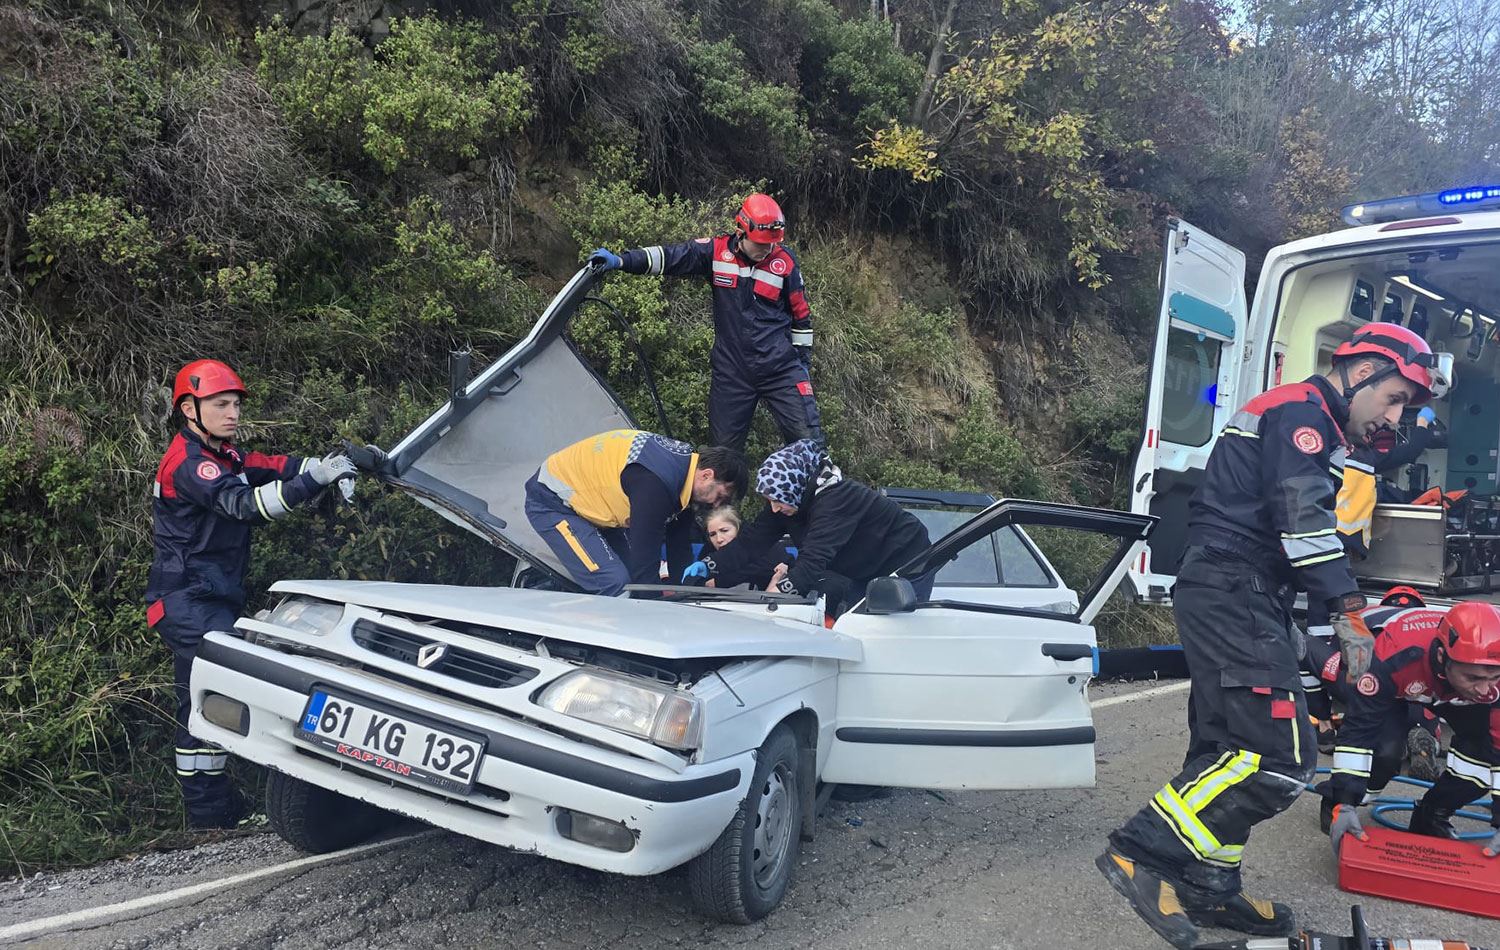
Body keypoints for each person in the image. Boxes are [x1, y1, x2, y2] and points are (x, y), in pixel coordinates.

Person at [1097, 323, 1437, 949]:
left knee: (1225, 749)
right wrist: (1348, 608)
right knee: (1280, 756)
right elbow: (1302, 522)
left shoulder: (1317, 422)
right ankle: (1140, 851)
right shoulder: (1299, 414)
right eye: (1393, 399)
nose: (1394, 417)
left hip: (1242, 589)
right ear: (1360, 372)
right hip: (1235, 585)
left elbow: (1301, 526)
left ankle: (1209, 888)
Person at [146, 359, 358, 828]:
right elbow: (245, 506)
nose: (233, 413)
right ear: (188, 409)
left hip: (205, 599)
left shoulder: (225, 455)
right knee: (221, 690)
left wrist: (325, 467)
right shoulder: (192, 464)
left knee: (202, 700)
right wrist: (313, 482)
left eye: (236, 404)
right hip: (187, 602)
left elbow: (270, 467)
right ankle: (225, 809)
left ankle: (212, 814)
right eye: (220, 404)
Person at [587, 194, 822, 451]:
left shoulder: (784, 263)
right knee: (722, 455)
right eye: (761, 244)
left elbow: (801, 316)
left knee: (809, 446)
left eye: (771, 244)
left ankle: (822, 488)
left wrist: (801, 365)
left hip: (780, 370)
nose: (767, 249)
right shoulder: (716, 252)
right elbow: (670, 257)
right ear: (741, 232)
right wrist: (622, 261)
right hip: (732, 373)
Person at [1311, 601, 1500, 859]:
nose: (1484, 689)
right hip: (1396, 675)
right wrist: (1344, 802)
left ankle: (1432, 815)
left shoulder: (1489, 682)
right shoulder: (1391, 656)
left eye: (1493, 677)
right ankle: (1336, 801)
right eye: (1474, 678)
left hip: (1445, 689)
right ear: (1443, 656)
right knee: (1386, 752)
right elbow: (1358, 733)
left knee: (1485, 755)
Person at [708, 439, 932, 614]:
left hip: (907, 559)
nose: (773, 508)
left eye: (777, 500)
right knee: (855, 619)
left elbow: (813, 560)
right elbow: (752, 542)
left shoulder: (837, 499)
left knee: (887, 626)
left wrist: (774, 598)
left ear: (794, 487)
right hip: (863, 569)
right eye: (769, 500)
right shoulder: (788, 500)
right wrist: (709, 566)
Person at [524, 429, 748, 596]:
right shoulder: (656, 484)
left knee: (634, 577)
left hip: (596, 507)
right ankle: (614, 651)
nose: (718, 505)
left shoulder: (684, 470)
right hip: (552, 501)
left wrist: (688, 593)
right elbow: (645, 564)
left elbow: (678, 544)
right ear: (706, 475)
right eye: (721, 495)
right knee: (615, 582)